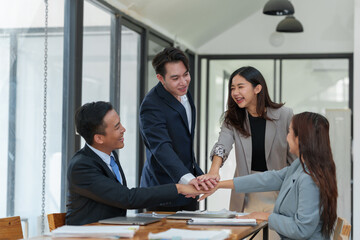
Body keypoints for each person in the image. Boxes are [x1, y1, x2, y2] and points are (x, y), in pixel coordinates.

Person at [199, 112, 338, 239]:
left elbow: (301, 229)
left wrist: (265, 216)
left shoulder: (309, 179)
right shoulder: (300, 167)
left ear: (300, 139)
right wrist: (219, 185)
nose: (286, 137)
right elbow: (266, 179)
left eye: (289, 132)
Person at [66, 101, 205, 225]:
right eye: (117, 127)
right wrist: (179, 188)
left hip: (112, 231)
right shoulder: (81, 166)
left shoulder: (109, 155)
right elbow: (127, 198)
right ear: (99, 138)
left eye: (120, 123)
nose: (123, 129)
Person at [198, 66, 296, 213]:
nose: (235, 93)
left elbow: (294, 156)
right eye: (232, 88)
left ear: (257, 88)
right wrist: (214, 170)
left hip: (279, 189)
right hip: (246, 191)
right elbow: (222, 145)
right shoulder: (233, 118)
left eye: (240, 87)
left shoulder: (285, 115)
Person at [139, 47, 213, 211]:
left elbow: (184, 142)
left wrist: (197, 175)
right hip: (162, 191)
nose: (183, 82)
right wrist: (187, 178)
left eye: (185, 74)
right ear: (160, 78)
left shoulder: (184, 91)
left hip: (189, 188)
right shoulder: (151, 105)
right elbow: (161, 147)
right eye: (175, 78)